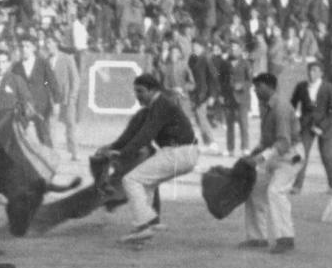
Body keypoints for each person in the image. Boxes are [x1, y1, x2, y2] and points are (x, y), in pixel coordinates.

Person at [99, 73, 199, 244]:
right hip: (184, 152)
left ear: (153, 91)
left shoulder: (160, 105)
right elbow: (134, 134)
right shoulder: (157, 105)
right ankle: (150, 225)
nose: (137, 95)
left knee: (131, 180)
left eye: (141, 91)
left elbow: (145, 135)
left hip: (178, 153)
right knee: (145, 184)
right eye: (135, 91)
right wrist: (113, 147)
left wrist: (122, 153)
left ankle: (142, 228)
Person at [239, 73, 304, 254]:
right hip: (277, 154)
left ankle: (286, 238)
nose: (255, 91)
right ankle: (257, 237)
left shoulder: (280, 107)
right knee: (255, 190)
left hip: (291, 155)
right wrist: (253, 153)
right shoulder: (267, 106)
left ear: (268, 87)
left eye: (258, 87)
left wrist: (258, 158)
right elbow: (267, 140)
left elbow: (283, 142)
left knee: (276, 191)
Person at [289, 60, 332, 193]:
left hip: (326, 125)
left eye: (315, 71)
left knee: (327, 156)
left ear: (321, 73)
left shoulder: (328, 88)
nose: (311, 74)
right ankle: (297, 186)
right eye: (310, 71)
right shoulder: (301, 86)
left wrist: (322, 126)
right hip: (306, 125)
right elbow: (292, 105)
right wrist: (293, 121)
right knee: (302, 155)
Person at [219, 39, 252, 156]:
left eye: (235, 48)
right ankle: (230, 148)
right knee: (229, 124)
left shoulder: (246, 63)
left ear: (240, 49)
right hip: (228, 98)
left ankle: (245, 148)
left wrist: (242, 85)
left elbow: (250, 81)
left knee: (243, 123)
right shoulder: (224, 63)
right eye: (231, 47)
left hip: (242, 97)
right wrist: (221, 95)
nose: (233, 50)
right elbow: (221, 80)